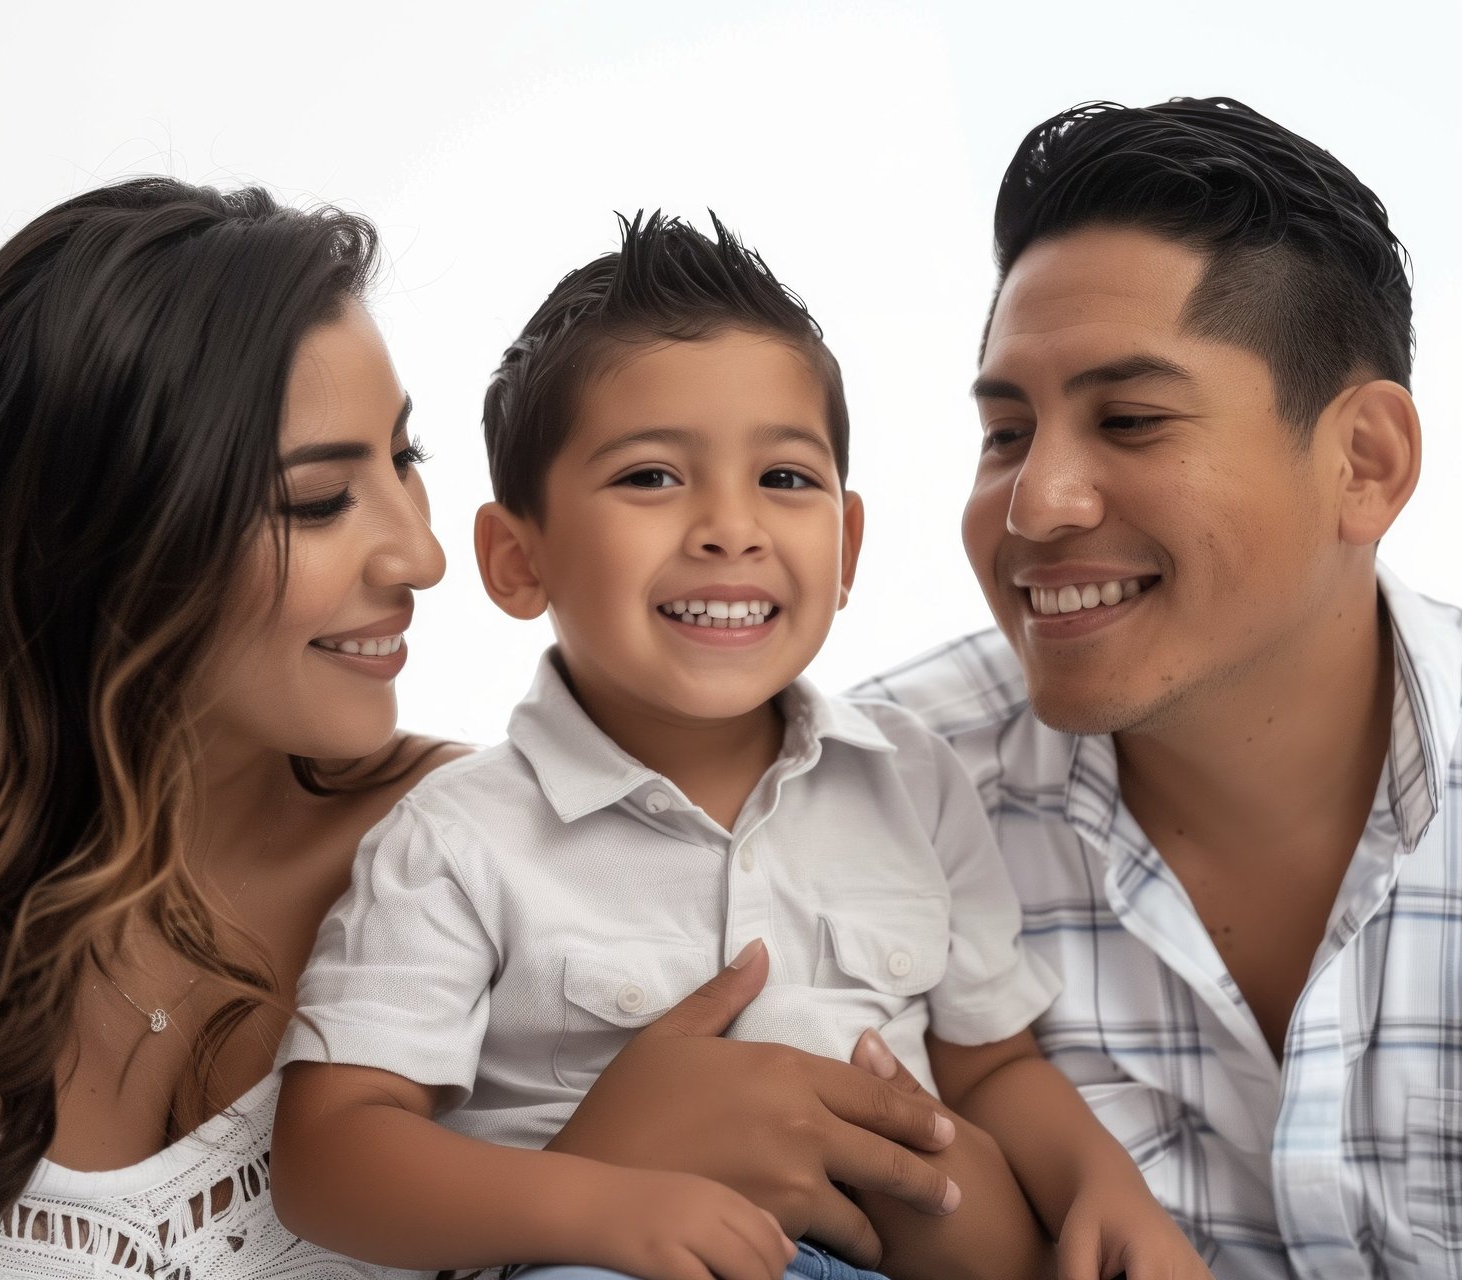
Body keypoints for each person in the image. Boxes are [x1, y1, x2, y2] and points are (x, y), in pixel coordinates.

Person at [841, 97, 1462, 1276]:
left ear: (1364, 463)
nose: (1036, 502)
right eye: (1007, 432)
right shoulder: (865, 795)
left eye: (1130, 419)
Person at [271, 213, 1209, 1280]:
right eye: (651, 477)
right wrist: (601, 1206)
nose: (731, 526)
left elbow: (992, 1066)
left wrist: (1103, 1184)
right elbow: (330, 1154)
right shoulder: (457, 838)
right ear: (517, 559)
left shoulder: (913, 781)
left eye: (786, 479)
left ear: (847, 549)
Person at [0, 175, 463, 1278]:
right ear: (97, 543)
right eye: (316, 500)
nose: (422, 556)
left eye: (407, 459)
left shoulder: (491, 868)